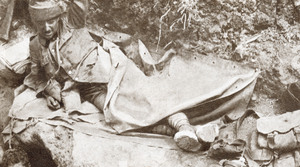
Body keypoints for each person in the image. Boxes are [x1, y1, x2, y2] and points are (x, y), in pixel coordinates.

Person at [24, 0, 225, 153]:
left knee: (148, 97)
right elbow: (37, 77)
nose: (47, 28)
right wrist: (48, 92)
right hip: (88, 89)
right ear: (35, 22)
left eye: (51, 21)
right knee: (121, 117)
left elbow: (79, 4)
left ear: (59, 16)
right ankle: (188, 132)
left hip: (111, 67)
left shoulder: (72, 22)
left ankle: (185, 126)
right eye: (41, 23)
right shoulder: (35, 46)